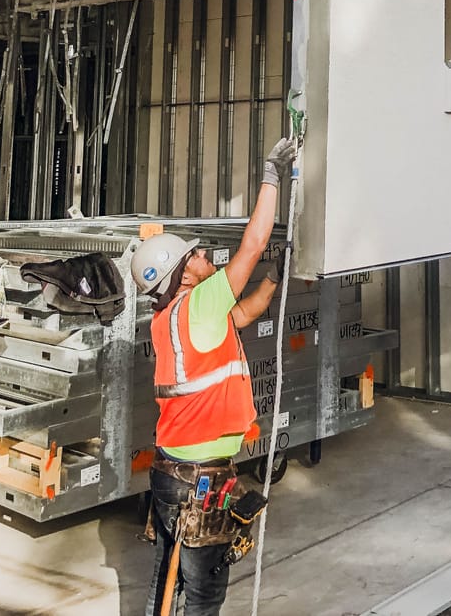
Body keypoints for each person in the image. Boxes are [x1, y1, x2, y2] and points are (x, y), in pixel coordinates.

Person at [131, 136, 297, 616]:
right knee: (204, 592)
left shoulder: (173, 318)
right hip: (197, 480)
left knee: (167, 577)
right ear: (183, 275)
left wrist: (275, 276)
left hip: (171, 472)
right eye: (197, 254)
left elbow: (246, 312)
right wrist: (271, 176)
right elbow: (253, 243)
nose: (206, 254)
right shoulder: (199, 304)